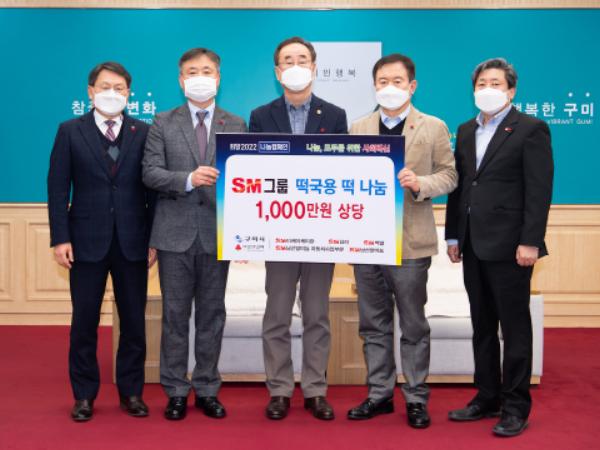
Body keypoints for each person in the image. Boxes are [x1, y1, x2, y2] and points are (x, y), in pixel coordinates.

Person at [346, 53, 457, 428]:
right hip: (366, 243)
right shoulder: (358, 127)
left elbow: (449, 175)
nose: (389, 88)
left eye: (396, 81)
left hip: (410, 242)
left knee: (413, 325)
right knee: (373, 324)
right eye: (382, 82)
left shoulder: (433, 126)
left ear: (412, 86)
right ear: (374, 86)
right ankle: (379, 394)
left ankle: (416, 398)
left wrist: (420, 183)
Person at [445, 57, 553, 437]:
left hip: (511, 247)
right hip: (472, 243)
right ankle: (487, 396)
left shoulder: (531, 129)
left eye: (495, 83)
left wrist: (530, 241)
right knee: (482, 325)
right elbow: (461, 186)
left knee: (515, 327)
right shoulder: (465, 129)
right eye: (481, 84)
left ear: (511, 90)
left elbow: (539, 190)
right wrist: (454, 236)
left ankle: (516, 406)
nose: (487, 89)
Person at [142, 47, 247, 421]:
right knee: (174, 316)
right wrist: (188, 178)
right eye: (191, 71)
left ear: (218, 77)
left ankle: (206, 389)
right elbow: (150, 172)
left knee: (212, 315)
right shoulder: (162, 122)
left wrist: (244, 234)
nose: (199, 77)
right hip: (173, 235)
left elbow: (247, 182)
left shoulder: (237, 124)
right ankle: (175, 390)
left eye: (206, 71)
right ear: (180, 79)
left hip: (218, 235)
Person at [48, 61, 155, 422]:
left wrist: (153, 239)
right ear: (90, 91)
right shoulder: (69, 131)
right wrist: (60, 238)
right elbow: (57, 187)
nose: (112, 93)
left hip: (133, 242)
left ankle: (131, 392)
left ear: (129, 94)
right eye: (105, 87)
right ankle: (83, 395)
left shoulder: (144, 131)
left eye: (119, 88)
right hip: (84, 242)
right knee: (84, 322)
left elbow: (153, 191)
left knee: (134, 322)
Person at [249, 36, 347, 421]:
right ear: (277, 71)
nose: (295, 65)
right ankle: (279, 389)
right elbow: (251, 173)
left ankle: (315, 390)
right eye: (287, 60)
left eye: (302, 59)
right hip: (278, 230)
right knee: (276, 315)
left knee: (316, 315)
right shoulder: (261, 116)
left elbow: (344, 173)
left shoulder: (335, 115)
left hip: (321, 231)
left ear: (314, 67)